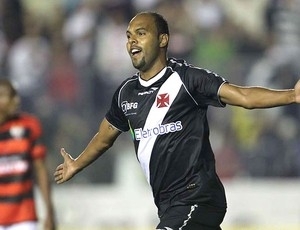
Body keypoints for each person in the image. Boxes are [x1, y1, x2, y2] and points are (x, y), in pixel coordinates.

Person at [54, 12, 300, 230]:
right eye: (128, 36)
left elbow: (244, 96)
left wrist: (291, 95)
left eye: (141, 34)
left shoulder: (188, 80)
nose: (132, 42)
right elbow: (104, 137)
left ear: (163, 40)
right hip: (168, 204)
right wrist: (77, 164)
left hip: (198, 198)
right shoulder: (125, 93)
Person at [0, 79, 56, 230]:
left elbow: (41, 170)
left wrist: (50, 212)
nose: (16, 101)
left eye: (16, 95)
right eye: (9, 96)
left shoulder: (29, 125)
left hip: (23, 218)